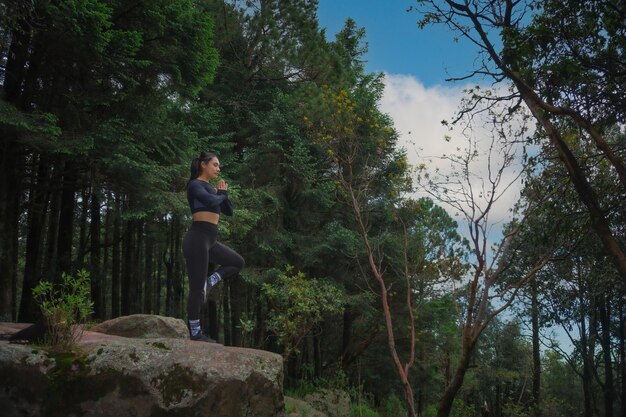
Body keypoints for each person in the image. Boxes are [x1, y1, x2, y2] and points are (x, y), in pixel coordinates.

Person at [183, 151, 245, 342]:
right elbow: (210, 202)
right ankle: (195, 332)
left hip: (211, 240)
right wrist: (221, 194)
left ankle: (210, 281)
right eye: (215, 165)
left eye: (219, 166)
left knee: (237, 262)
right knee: (196, 289)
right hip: (197, 238)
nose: (218, 169)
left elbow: (229, 211)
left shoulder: (211, 188)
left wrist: (222, 195)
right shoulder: (194, 185)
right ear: (203, 164)